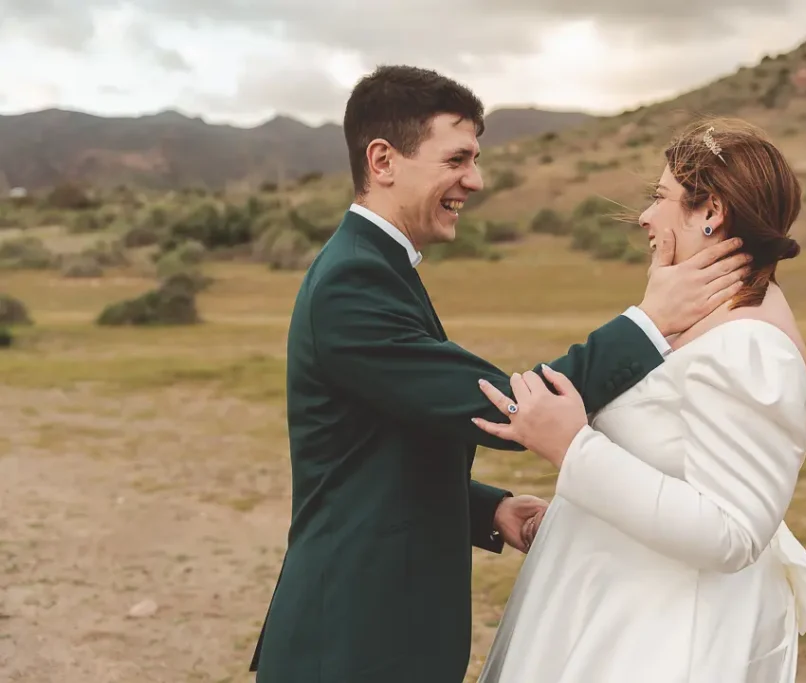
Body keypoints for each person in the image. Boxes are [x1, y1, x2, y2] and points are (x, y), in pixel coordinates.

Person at [247, 66, 752, 683]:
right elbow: (498, 406)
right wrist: (650, 323)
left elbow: (376, 452)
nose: (475, 180)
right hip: (350, 639)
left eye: (476, 159)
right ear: (383, 161)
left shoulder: (377, 266)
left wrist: (489, 509)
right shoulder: (355, 281)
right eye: (457, 159)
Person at [473, 117, 806, 683]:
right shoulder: (693, 318)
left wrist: (572, 449)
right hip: (611, 601)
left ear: (710, 211)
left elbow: (730, 533)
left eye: (661, 197)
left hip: (660, 639)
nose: (645, 216)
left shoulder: (752, 345)